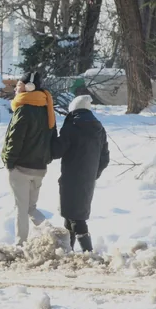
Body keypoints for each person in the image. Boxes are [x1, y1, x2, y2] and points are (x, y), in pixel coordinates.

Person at [1, 71, 57, 246]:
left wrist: (9, 162)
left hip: (21, 169)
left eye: (19, 85)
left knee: (21, 209)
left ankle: (20, 244)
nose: (16, 89)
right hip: (39, 169)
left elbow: (15, 139)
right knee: (31, 208)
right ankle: (54, 235)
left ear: (29, 87)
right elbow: (52, 138)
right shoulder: (47, 109)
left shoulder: (24, 109)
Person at [51, 94, 109, 252]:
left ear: (73, 110)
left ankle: (88, 253)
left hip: (71, 178)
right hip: (87, 180)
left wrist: (52, 134)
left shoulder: (72, 126)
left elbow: (57, 151)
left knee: (76, 218)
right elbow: (105, 158)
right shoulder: (99, 129)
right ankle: (68, 250)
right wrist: (93, 174)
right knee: (71, 215)